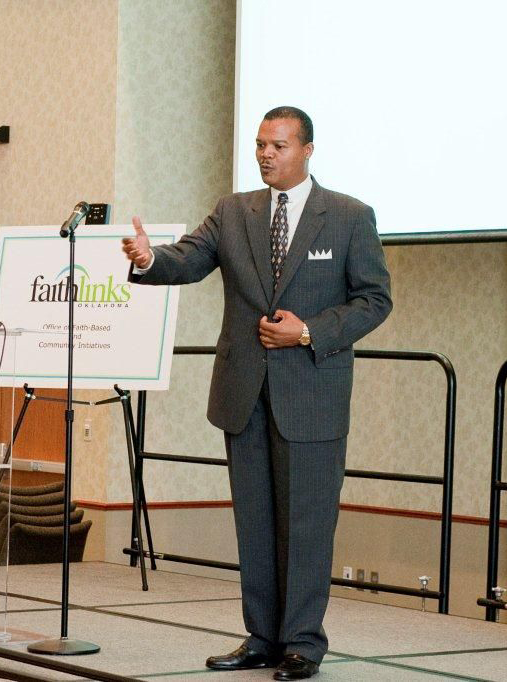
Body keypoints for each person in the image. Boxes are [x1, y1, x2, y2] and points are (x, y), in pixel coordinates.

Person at [121, 106, 392, 680]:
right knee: (255, 522)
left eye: (279, 146)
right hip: (244, 392)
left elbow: (374, 300)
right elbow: (189, 259)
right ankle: (261, 637)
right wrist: (150, 260)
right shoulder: (234, 211)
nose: (267, 154)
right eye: (260, 145)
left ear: (308, 150)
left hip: (312, 395)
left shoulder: (347, 216)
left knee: (308, 523)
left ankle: (303, 644)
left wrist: (310, 331)